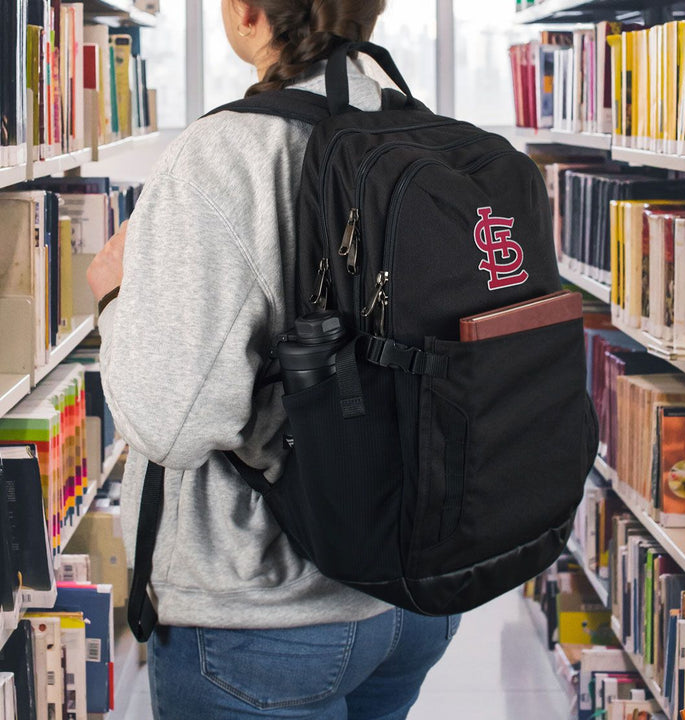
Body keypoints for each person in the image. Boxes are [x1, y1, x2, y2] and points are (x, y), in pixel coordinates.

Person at [86, 1, 460, 718]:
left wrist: (116, 298)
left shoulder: (229, 151)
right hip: (417, 591)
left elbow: (170, 425)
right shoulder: (431, 134)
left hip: (266, 615)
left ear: (247, 11)